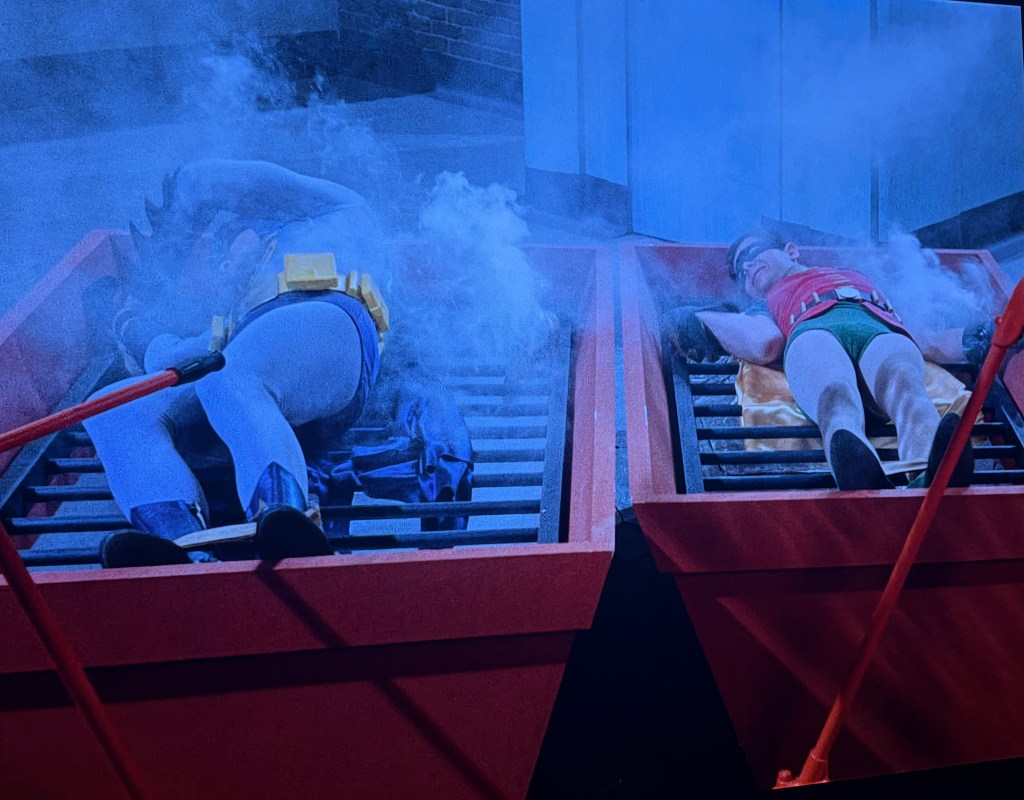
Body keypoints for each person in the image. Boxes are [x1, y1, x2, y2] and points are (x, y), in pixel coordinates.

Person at [84, 159, 390, 567]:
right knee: (113, 410)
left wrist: (151, 280)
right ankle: (181, 544)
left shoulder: (338, 215)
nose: (224, 262)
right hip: (254, 365)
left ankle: (288, 522)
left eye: (230, 240)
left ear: (262, 233)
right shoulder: (233, 324)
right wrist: (127, 324)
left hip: (331, 321)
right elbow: (169, 361)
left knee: (228, 377)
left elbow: (202, 181)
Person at [670, 227, 974, 491]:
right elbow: (763, 341)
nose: (747, 267)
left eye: (753, 252)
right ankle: (862, 479)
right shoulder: (765, 304)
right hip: (812, 329)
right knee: (833, 395)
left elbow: (923, 338)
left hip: (877, 326)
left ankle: (932, 475)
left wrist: (977, 337)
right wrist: (698, 320)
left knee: (906, 385)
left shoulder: (859, 278)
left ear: (790, 250)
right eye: (740, 273)